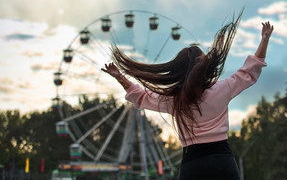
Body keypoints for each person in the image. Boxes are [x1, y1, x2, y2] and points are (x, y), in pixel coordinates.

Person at [101, 13, 273, 180]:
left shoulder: (174, 101)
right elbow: (250, 70)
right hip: (222, 161)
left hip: (192, 164)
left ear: (178, 71)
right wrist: (264, 40)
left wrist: (119, 76)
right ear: (205, 67)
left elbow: (140, 97)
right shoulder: (223, 89)